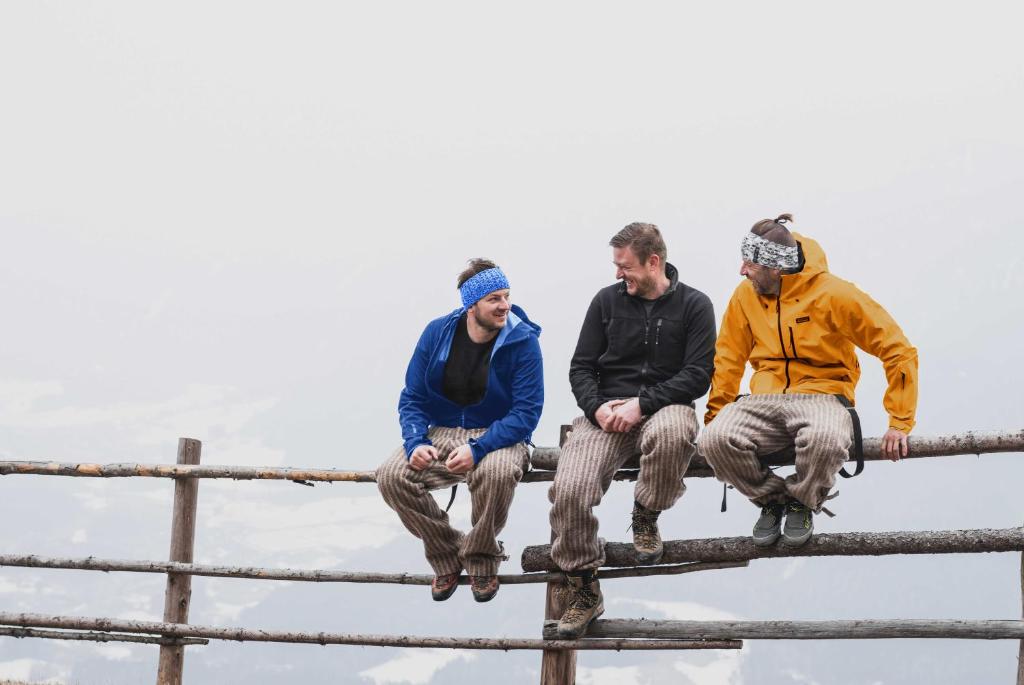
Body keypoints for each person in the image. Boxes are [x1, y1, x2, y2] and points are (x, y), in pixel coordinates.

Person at [699, 214, 918, 548]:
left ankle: (803, 500)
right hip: (764, 400)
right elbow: (728, 358)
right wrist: (716, 416)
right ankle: (772, 501)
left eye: (750, 264)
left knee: (828, 440)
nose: (742, 271)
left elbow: (898, 349)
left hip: (824, 395)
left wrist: (899, 422)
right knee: (714, 440)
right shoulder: (744, 296)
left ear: (775, 268)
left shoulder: (835, 294)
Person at [548, 223, 717, 638]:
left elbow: (698, 375)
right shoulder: (605, 302)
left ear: (653, 261)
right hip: (605, 413)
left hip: (664, 407)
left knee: (676, 432)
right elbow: (581, 367)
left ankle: (646, 513)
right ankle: (584, 587)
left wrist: (643, 404)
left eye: (625, 266)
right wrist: (597, 407)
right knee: (568, 490)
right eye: (616, 266)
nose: (618, 274)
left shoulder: (695, 305)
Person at [376, 259, 543, 603]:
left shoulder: (523, 341)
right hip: (443, 429)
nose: (504, 306)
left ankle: (482, 559)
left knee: (496, 472)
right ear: (471, 305)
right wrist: (415, 442)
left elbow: (526, 414)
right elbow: (412, 397)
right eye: (494, 299)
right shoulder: (437, 333)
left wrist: (479, 449)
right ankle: (447, 554)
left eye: (507, 296)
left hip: (500, 433)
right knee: (391, 476)